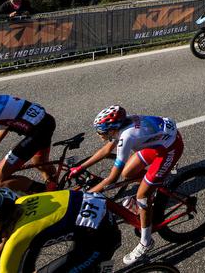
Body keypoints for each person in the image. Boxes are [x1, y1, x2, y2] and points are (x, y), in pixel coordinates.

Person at [68, 105, 184, 266]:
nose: (98, 134)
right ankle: (154, 185)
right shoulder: (121, 125)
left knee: (141, 196)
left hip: (169, 149)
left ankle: (146, 242)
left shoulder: (126, 136)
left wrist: (82, 196)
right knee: (128, 173)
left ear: (111, 130)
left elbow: (112, 178)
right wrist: (80, 168)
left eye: (100, 131)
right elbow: (106, 150)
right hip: (157, 143)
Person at [0, 187, 121, 273]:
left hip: (102, 239)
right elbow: (1, 243)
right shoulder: (20, 204)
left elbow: (7, 255)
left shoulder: (19, 237)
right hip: (97, 223)